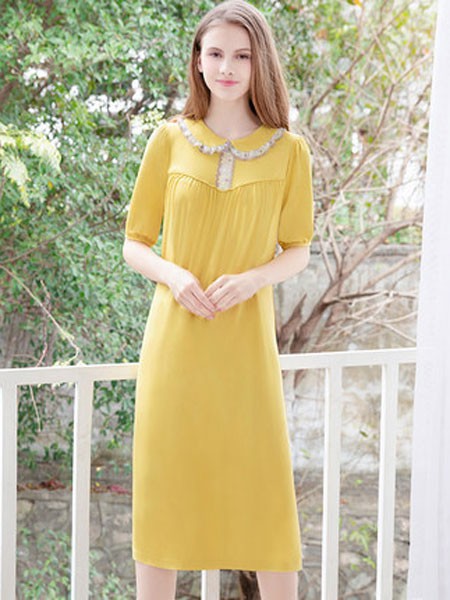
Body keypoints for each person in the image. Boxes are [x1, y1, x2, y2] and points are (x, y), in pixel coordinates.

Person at [122, 1, 314, 598]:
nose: (227, 67)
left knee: (264, 496)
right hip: (175, 348)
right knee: (164, 493)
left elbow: (298, 250)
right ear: (198, 62)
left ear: (261, 64)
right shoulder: (168, 140)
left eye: (242, 56)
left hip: (245, 351)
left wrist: (253, 279)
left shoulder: (289, 151)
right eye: (215, 54)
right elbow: (134, 243)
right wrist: (175, 276)